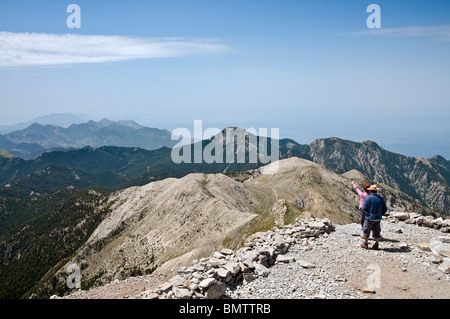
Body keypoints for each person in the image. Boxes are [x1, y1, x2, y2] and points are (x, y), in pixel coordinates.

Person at [361, 185, 387, 250]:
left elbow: (364, 208)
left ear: (370, 191)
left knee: (366, 229)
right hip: (378, 218)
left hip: (369, 217)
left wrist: (368, 212)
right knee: (377, 231)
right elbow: (385, 209)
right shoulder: (381, 198)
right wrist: (381, 214)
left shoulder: (368, 198)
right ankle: (376, 244)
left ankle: (366, 243)